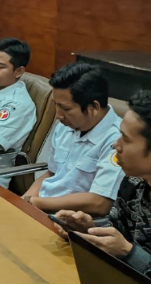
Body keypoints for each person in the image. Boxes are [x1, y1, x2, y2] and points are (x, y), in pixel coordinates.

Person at [55, 89, 151, 283]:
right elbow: (118, 230)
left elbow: (125, 249)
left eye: (126, 139)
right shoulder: (133, 183)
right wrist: (89, 229)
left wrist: (129, 253)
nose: (116, 145)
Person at [22, 63, 123, 216]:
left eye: (66, 109)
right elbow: (51, 174)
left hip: (72, 219)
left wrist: (35, 203)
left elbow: (100, 203)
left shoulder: (117, 140)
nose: (58, 116)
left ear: (94, 107)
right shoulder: (66, 125)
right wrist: (23, 202)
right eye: (56, 105)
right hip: (41, 207)